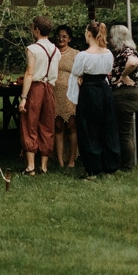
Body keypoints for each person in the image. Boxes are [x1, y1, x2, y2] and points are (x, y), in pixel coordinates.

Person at [66, 21, 120, 180]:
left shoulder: (83, 55)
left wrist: (74, 97)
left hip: (89, 91)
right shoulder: (108, 53)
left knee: (89, 128)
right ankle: (109, 165)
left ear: (89, 33)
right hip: (104, 91)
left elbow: (75, 75)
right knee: (106, 126)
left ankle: (93, 169)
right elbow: (107, 72)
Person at [18, 15, 59, 175]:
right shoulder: (56, 50)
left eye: (33, 27)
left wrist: (23, 98)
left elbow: (29, 73)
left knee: (30, 124)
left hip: (36, 88)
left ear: (37, 30)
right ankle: (44, 166)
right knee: (47, 125)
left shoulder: (32, 49)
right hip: (50, 88)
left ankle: (31, 167)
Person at [108, 23, 138, 170]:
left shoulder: (127, 52)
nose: (109, 40)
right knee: (124, 131)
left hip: (124, 95)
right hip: (126, 95)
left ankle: (127, 165)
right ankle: (123, 162)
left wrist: (123, 75)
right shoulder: (123, 52)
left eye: (111, 37)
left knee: (124, 133)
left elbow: (133, 62)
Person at [52, 25, 80, 170]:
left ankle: (71, 160)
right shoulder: (52, 52)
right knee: (57, 126)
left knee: (71, 126)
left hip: (71, 93)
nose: (61, 38)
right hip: (55, 92)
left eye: (64, 36)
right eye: (58, 36)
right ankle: (59, 161)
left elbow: (82, 72)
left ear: (69, 38)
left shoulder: (76, 54)